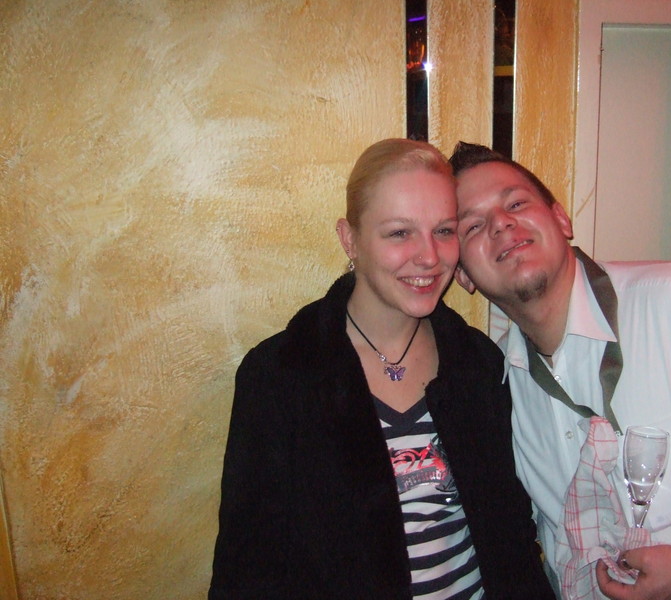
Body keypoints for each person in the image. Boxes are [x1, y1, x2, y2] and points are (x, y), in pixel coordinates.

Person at [448, 141, 671, 600]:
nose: (500, 223)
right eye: (474, 225)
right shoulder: (499, 387)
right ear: (463, 275)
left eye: (515, 203)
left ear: (561, 219)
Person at [208, 138, 556, 599]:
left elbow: (511, 537)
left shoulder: (478, 364)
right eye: (399, 233)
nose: (429, 257)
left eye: (444, 230)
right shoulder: (282, 376)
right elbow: (248, 566)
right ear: (349, 239)